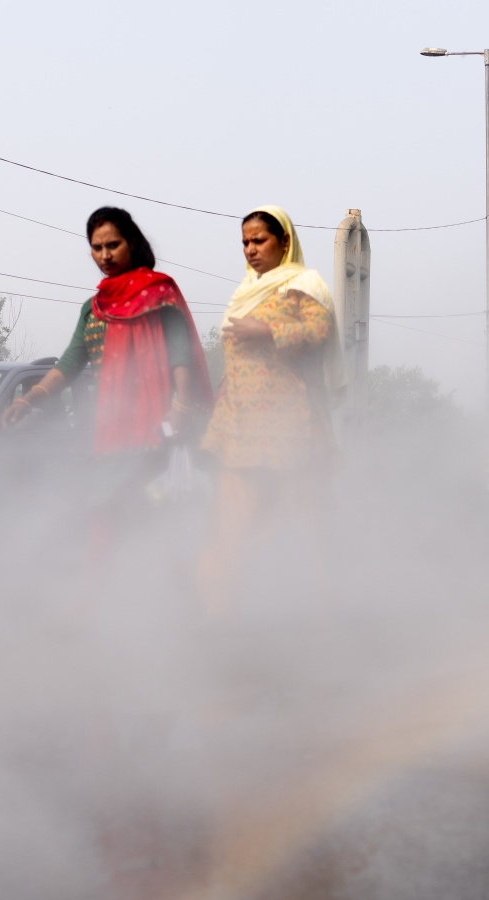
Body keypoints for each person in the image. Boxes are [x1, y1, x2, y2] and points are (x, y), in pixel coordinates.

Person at [196, 205, 343, 616]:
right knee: (232, 522)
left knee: (306, 522)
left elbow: (318, 332)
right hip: (239, 425)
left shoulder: (304, 283)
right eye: (245, 241)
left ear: (285, 241)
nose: (250, 249)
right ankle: (216, 615)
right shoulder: (246, 291)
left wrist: (261, 330)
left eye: (259, 240)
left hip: (289, 426)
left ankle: (329, 613)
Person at [2, 206, 209, 452]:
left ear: (131, 243)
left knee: (155, 487)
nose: (105, 256)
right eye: (97, 248)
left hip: (163, 423)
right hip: (112, 426)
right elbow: (69, 363)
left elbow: (180, 354)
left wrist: (182, 407)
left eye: (113, 245)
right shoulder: (94, 308)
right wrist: (27, 400)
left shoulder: (159, 295)